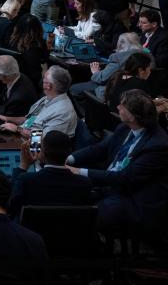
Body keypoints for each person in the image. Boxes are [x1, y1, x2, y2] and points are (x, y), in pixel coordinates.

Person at [67, 89, 168, 234]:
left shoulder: (157, 145)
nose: (118, 107)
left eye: (122, 105)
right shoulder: (124, 128)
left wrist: (79, 172)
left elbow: (125, 177)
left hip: (134, 198)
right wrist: (70, 158)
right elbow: (101, 149)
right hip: (113, 184)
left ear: (133, 116)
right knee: (67, 191)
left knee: (91, 215)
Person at [9, 130, 93, 216]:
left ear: (43, 152)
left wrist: (23, 166)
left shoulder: (26, 180)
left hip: (31, 229)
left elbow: (10, 205)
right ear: (69, 153)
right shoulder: (85, 184)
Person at [0, 66, 78, 138]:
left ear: (49, 86)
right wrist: (7, 118)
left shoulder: (63, 112)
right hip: (22, 136)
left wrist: (17, 129)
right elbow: (28, 120)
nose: (42, 83)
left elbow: (45, 139)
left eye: (44, 80)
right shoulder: (47, 99)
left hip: (36, 150)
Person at [8, 14, 49, 84]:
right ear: (38, 28)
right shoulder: (39, 44)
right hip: (34, 81)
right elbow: (44, 60)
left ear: (18, 27)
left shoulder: (12, 41)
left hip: (15, 79)